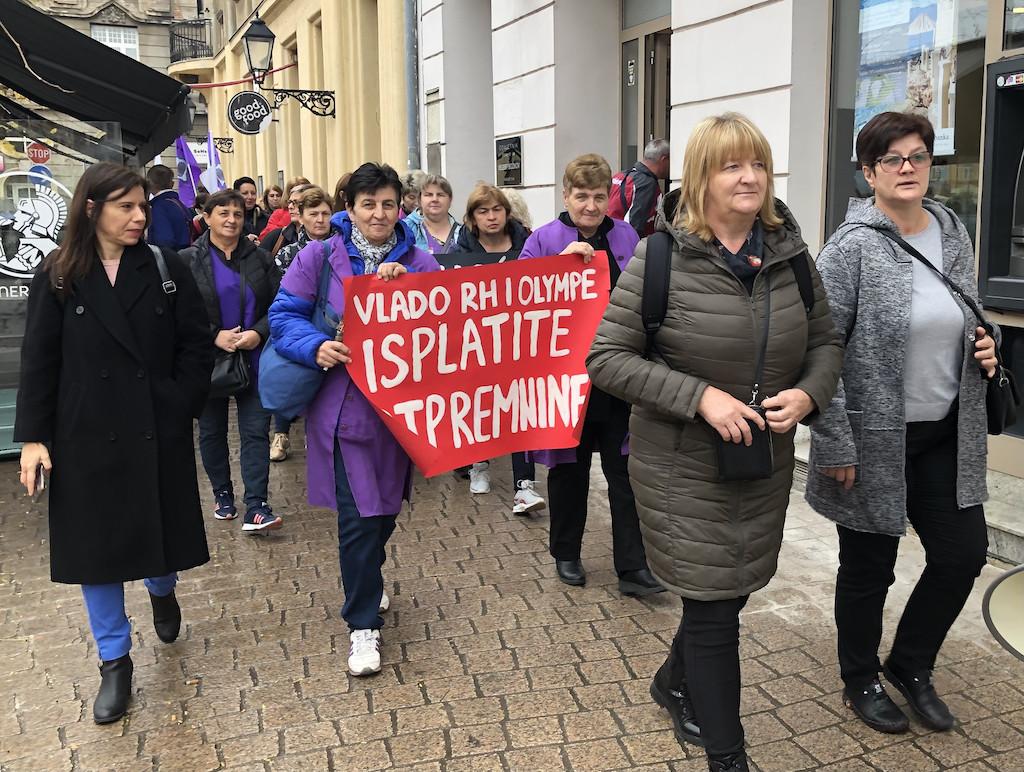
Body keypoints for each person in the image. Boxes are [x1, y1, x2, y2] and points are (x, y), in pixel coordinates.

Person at [587, 113, 843, 772]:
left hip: (761, 460)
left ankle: (673, 682)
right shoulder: (659, 257)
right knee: (714, 612)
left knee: (732, 592)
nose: (750, 177)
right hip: (681, 467)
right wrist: (699, 396)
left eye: (757, 163)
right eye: (732, 165)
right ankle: (728, 757)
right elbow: (607, 359)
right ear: (701, 177)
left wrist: (809, 394)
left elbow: (824, 342)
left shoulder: (791, 255)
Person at [806, 111, 999, 735]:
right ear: (869, 173)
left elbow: (964, 313)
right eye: (892, 159)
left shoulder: (952, 230)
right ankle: (859, 677)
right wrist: (834, 440)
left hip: (945, 432)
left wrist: (987, 344)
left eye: (918, 155)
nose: (908, 167)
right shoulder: (850, 248)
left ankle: (911, 662)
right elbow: (820, 348)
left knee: (963, 554)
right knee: (869, 569)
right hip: (872, 438)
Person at [15, 162, 214, 724]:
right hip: (84, 435)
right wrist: (33, 437)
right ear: (91, 208)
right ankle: (115, 661)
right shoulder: (59, 273)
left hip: (154, 427)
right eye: (125, 206)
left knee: (159, 534)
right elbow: (39, 359)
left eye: (142, 206)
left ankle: (162, 587)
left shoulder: (164, 265)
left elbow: (196, 345)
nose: (139, 216)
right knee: (95, 552)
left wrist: (177, 402)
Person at [269, 162, 440, 676]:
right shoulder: (319, 256)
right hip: (344, 410)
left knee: (384, 511)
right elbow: (283, 315)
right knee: (359, 518)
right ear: (350, 208)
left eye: (388, 204)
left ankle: (369, 577)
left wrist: (410, 291)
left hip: (401, 414)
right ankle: (362, 623)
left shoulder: (421, 261)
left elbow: (451, 323)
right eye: (368, 204)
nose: (379, 214)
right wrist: (315, 345)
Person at [520, 153, 663, 597]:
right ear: (566, 196)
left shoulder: (626, 235)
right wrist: (558, 267)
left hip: (619, 374)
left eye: (599, 197)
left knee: (626, 472)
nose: (590, 206)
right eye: (581, 196)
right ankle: (566, 553)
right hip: (567, 380)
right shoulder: (543, 239)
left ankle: (633, 567)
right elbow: (517, 299)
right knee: (570, 471)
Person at [181, 189, 283, 534]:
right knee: (212, 432)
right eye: (223, 213)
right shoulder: (187, 261)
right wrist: (213, 335)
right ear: (207, 217)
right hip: (208, 361)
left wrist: (258, 332)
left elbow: (280, 305)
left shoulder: (261, 259)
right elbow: (180, 313)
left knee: (255, 432)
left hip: (254, 358)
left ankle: (257, 505)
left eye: (237, 214)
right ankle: (222, 494)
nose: (231, 220)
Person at [450, 183, 544, 514]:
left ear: (506, 212)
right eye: (483, 211)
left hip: (518, 338)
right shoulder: (459, 251)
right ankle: (479, 463)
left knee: (521, 407)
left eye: (497, 210)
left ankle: (525, 484)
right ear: (472, 217)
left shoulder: (528, 243)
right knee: (481, 404)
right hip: (476, 340)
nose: (491, 217)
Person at [269, 185, 334, 463]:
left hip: (332, 327)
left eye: (325, 214)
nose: (320, 220)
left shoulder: (341, 249)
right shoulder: (288, 253)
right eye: (313, 214)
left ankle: (320, 437)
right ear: (301, 216)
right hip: (301, 326)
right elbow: (281, 295)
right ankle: (281, 433)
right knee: (293, 379)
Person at [608, 138, 671, 238]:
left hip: (608, 238)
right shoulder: (647, 184)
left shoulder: (620, 176)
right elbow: (634, 225)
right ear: (664, 160)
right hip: (624, 242)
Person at [405, 174, 462, 253]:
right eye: (428, 195)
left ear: (450, 200)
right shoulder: (405, 229)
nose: (435, 199)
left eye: (440, 195)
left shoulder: (464, 233)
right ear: (419, 200)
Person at [146, 164, 192, 250]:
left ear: (149, 184)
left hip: (169, 256)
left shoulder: (159, 207)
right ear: (172, 184)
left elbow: (164, 240)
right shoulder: (180, 204)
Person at [260, 183, 312, 259]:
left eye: (296, 203)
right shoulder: (277, 236)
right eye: (290, 202)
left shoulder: (325, 237)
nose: (290, 207)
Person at [232, 176, 269, 242]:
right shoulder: (230, 219)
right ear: (236, 195)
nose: (250, 197)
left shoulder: (266, 218)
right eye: (245, 193)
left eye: (253, 193)